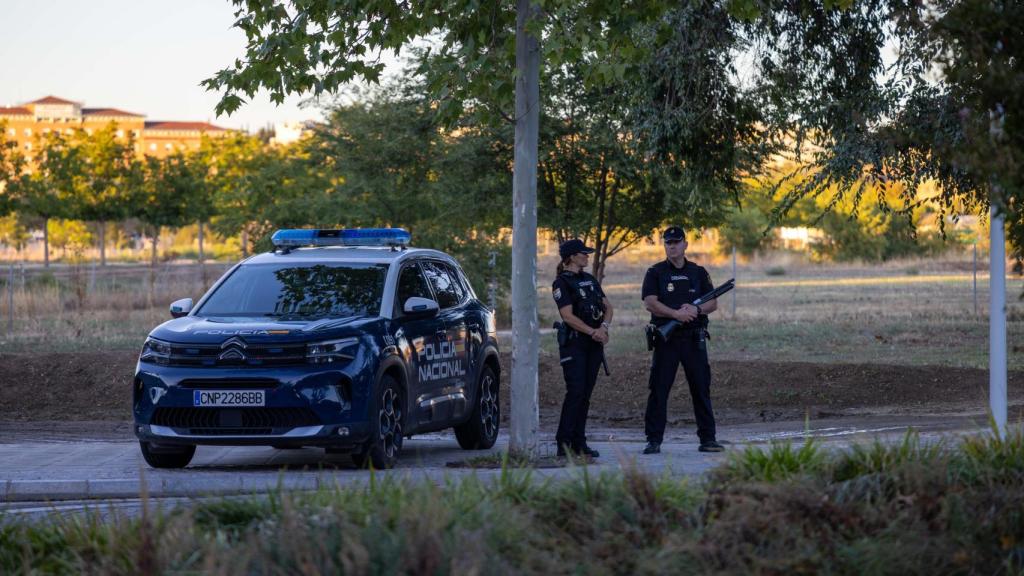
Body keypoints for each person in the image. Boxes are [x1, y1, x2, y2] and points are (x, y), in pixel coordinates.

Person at [641, 226, 724, 454]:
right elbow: (650, 302)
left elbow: (713, 303)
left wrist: (695, 310)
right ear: (664, 245)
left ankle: (708, 439)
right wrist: (676, 314)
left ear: (685, 244)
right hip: (667, 340)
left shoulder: (698, 272)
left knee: (701, 388)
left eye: (677, 242)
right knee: (659, 389)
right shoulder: (655, 272)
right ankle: (653, 440)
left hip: (693, 339)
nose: (672, 246)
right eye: (668, 243)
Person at [551, 238, 613, 458]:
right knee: (575, 392)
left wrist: (603, 327)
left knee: (585, 394)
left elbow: (608, 307)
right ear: (571, 257)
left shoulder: (589, 279)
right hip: (575, 344)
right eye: (583, 253)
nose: (587, 256)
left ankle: (579, 442)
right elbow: (567, 316)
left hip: (594, 344)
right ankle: (564, 442)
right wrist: (592, 331)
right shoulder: (562, 283)